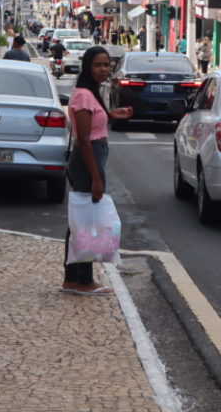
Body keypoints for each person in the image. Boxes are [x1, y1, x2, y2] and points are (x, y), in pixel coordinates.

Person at [62, 47, 133, 296]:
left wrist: (113, 114)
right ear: (87, 67)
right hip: (87, 160)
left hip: (92, 157)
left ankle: (72, 278)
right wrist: (95, 178)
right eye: (98, 65)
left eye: (107, 64)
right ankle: (83, 280)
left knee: (80, 220)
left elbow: (93, 125)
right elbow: (83, 139)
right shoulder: (83, 95)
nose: (104, 69)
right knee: (87, 222)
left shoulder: (92, 92)